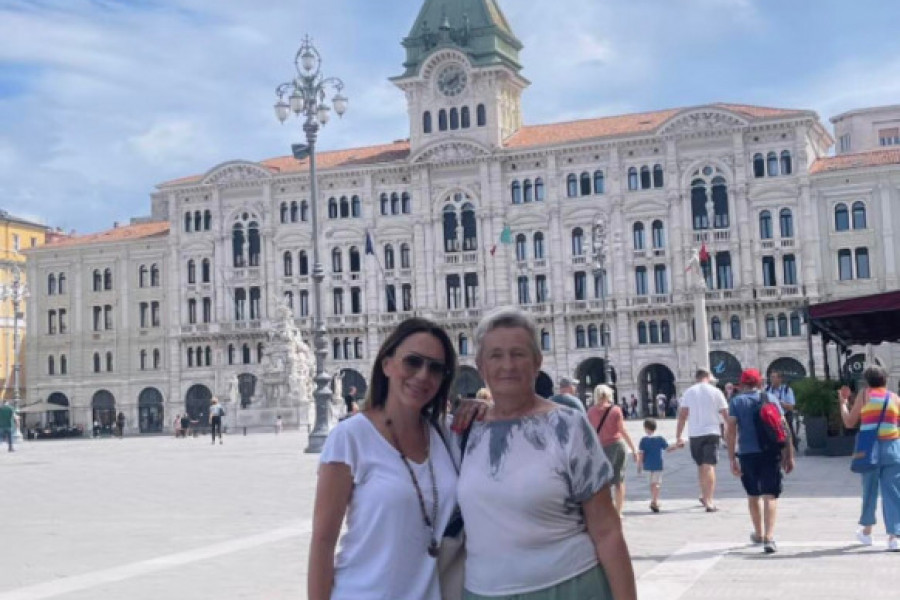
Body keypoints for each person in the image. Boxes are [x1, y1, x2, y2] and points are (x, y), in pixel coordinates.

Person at [458, 307, 636, 600]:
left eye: (518, 354)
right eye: (496, 355)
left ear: (537, 362)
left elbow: (607, 530)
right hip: (483, 591)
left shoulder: (569, 425)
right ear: (481, 366)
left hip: (569, 587)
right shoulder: (464, 429)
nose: (508, 365)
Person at [308, 318, 460, 600]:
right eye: (413, 362)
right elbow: (323, 541)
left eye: (436, 368)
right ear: (387, 364)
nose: (423, 375)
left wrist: (480, 408)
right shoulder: (350, 437)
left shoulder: (446, 433)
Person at [727, 368, 794, 554]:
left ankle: (758, 533)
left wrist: (732, 458)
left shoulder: (736, 401)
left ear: (742, 383)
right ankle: (769, 537)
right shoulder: (770, 398)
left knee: (753, 494)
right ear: (759, 382)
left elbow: (731, 432)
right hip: (770, 452)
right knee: (770, 495)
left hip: (747, 453)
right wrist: (789, 454)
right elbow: (784, 426)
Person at [839, 366, 900, 551]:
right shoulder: (894, 398)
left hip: (869, 449)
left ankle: (867, 531)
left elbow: (849, 422)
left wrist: (843, 403)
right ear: (885, 379)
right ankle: (894, 536)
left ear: (866, 381)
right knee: (893, 493)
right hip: (893, 448)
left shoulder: (865, 395)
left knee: (869, 490)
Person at [675, 369, 729, 512]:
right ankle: (709, 500)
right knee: (709, 466)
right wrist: (729, 431)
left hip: (695, 434)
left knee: (700, 465)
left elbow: (682, 415)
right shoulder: (716, 391)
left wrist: (678, 436)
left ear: (696, 377)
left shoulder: (689, 392)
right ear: (708, 377)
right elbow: (725, 413)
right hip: (712, 432)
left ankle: (704, 495)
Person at [588, 383, 638, 517]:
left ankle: (604, 511)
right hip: (617, 446)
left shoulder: (591, 412)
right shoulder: (615, 410)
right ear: (609, 395)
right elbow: (622, 430)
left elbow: (589, 433)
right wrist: (633, 449)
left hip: (600, 449)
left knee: (602, 482)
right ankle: (618, 511)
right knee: (618, 480)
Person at [637, 418, 678, 512]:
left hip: (647, 465)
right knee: (657, 483)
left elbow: (641, 454)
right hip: (658, 464)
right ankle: (655, 501)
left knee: (651, 484)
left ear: (645, 428)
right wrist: (676, 446)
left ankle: (654, 500)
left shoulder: (643, 440)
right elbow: (668, 449)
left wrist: (639, 466)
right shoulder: (660, 439)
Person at [766, 371, 799, 451]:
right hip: (771, 416)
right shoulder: (767, 390)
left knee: (787, 432)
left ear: (780, 379)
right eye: (771, 377)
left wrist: (779, 403)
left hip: (784, 415)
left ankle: (791, 447)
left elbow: (791, 407)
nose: (771, 379)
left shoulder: (787, 390)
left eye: (773, 377)